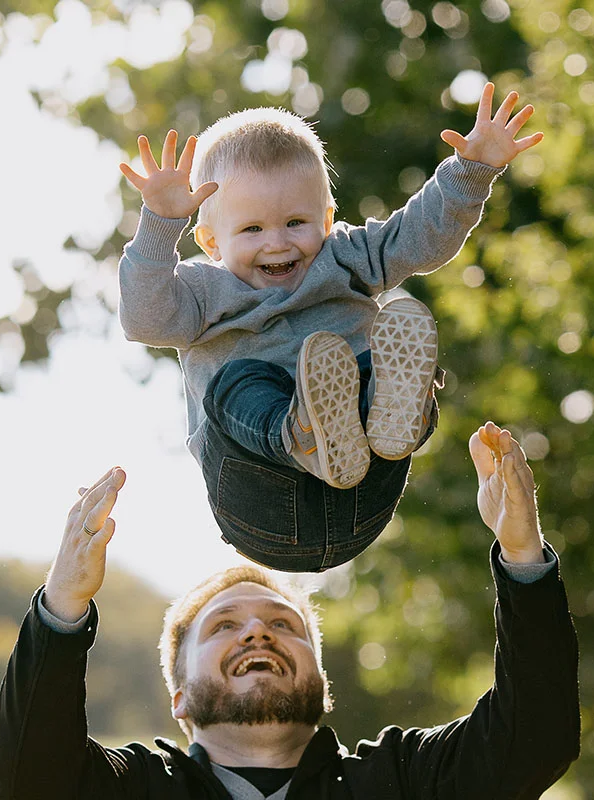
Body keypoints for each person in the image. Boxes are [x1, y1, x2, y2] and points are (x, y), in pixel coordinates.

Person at [0, 421, 580, 799]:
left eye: (283, 625)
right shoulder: (136, 791)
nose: (257, 631)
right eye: (224, 625)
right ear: (178, 696)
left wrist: (523, 557)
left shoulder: (400, 783)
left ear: (322, 683)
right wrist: (63, 606)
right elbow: (33, 779)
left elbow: (534, 737)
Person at [117, 83, 544, 572]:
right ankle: (299, 433)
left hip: (363, 495)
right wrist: (158, 225)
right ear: (212, 241)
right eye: (252, 229)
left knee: (376, 359)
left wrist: (472, 171)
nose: (277, 243)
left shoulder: (346, 255)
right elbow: (144, 318)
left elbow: (418, 236)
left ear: (327, 218)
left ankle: (398, 417)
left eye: (296, 222)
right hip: (261, 503)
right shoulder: (200, 291)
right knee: (238, 381)